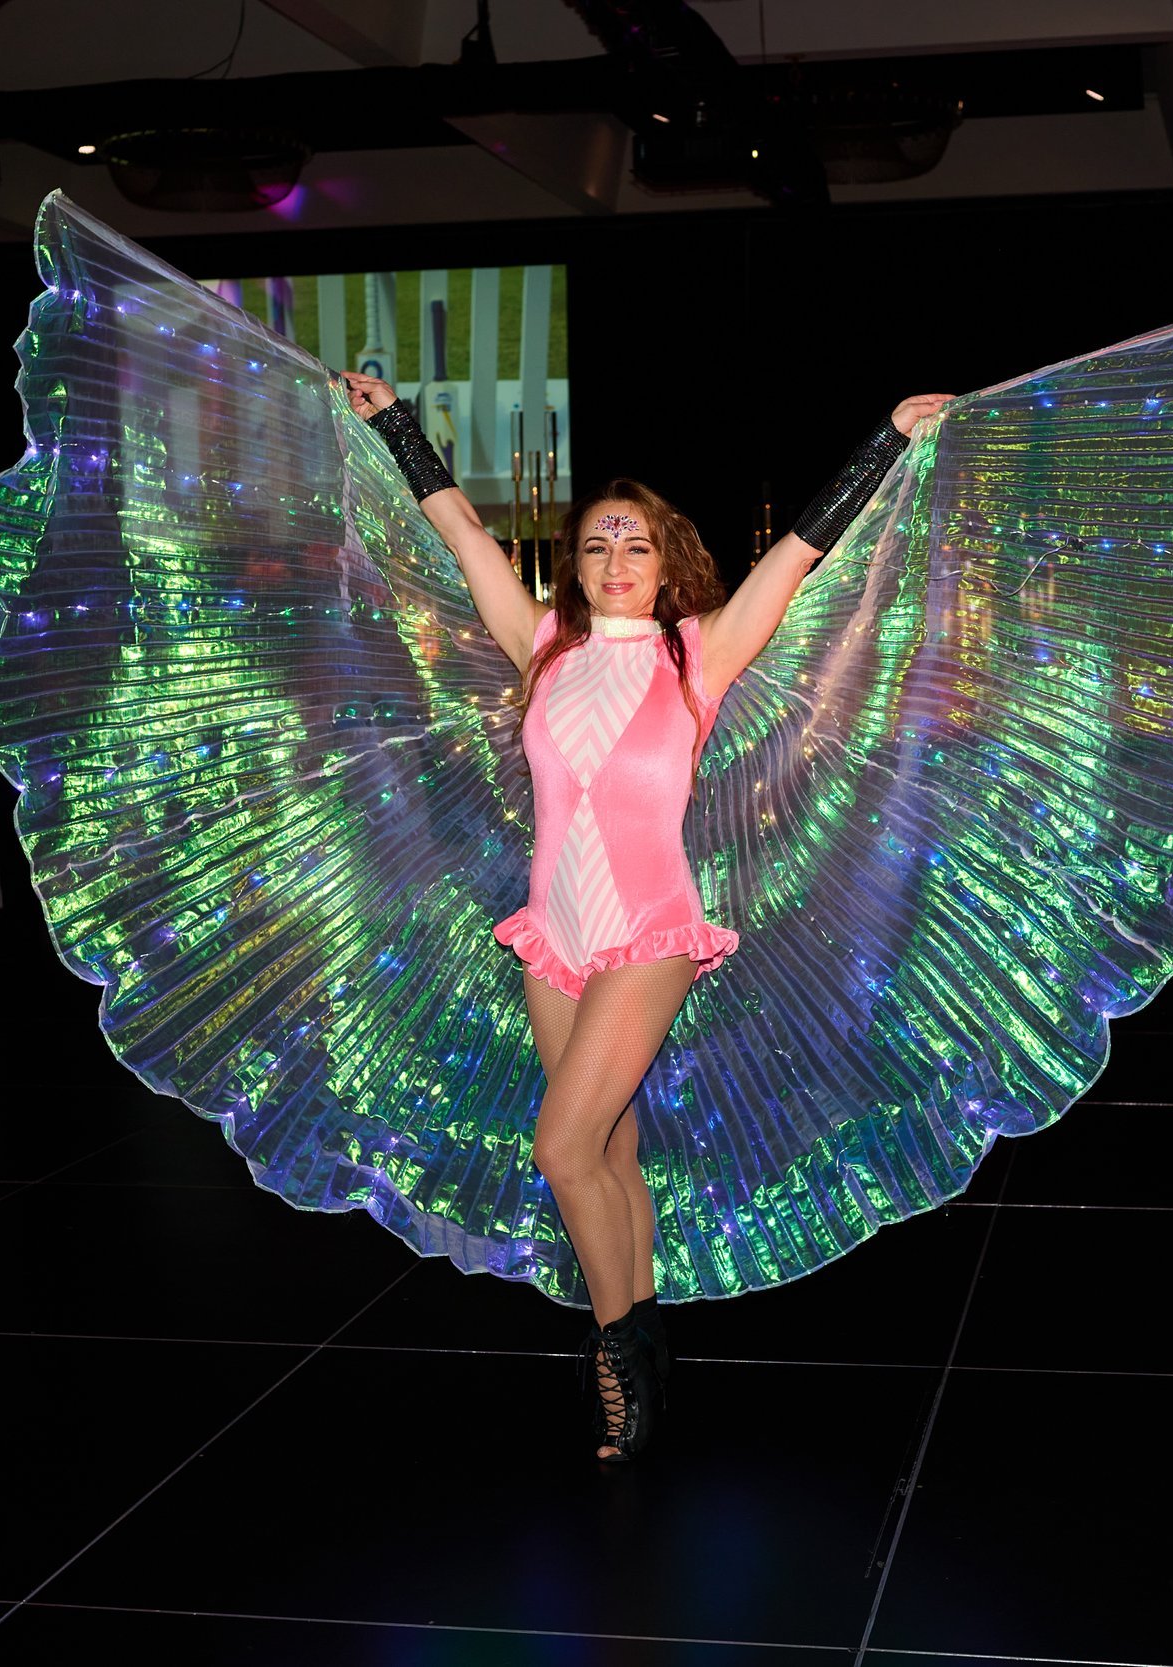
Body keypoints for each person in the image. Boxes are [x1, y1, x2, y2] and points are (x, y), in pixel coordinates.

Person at [349, 370, 949, 1462]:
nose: (615, 559)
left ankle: (617, 1353)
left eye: (635, 543)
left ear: (668, 561)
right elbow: (464, 533)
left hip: (648, 930)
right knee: (611, 1147)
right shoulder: (543, 647)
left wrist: (890, 437)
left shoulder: (696, 654)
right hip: (553, 935)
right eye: (595, 545)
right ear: (575, 567)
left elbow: (797, 554)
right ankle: (646, 1334)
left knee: (561, 1145)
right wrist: (394, 422)